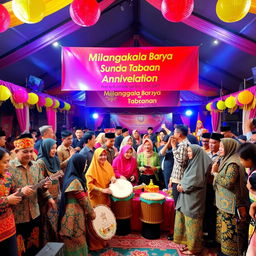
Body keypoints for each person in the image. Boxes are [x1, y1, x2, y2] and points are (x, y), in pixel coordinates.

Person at [9, 133, 55, 256]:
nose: (29, 155)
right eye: (25, 152)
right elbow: (5, 193)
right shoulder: (8, 168)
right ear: (16, 151)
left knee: (34, 247)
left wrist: (47, 193)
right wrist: (21, 192)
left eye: (31, 151)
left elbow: (41, 185)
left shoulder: (36, 166)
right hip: (17, 216)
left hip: (35, 213)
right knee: (20, 249)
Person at [212, 138, 249, 256]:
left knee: (231, 234)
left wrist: (215, 174)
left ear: (230, 148)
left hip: (232, 206)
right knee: (223, 234)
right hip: (224, 204)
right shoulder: (226, 159)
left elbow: (228, 183)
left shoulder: (233, 163)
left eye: (222, 147)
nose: (220, 149)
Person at [174, 145, 212, 255]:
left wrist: (183, 187)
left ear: (196, 153)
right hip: (186, 199)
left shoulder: (198, 166)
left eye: (190, 151)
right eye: (188, 151)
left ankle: (194, 248)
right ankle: (189, 244)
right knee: (187, 222)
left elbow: (195, 182)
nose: (188, 153)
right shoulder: (193, 163)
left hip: (194, 201)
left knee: (193, 223)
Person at [58, 154, 95, 256]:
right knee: (76, 238)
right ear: (78, 164)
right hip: (74, 215)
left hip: (71, 212)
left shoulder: (70, 177)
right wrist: (92, 213)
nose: (86, 165)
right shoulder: (75, 182)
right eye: (85, 163)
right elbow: (84, 200)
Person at [85, 148, 116, 251]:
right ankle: (95, 245)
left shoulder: (108, 165)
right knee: (95, 222)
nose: (103, 157)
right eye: (100, 155)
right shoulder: (91, 170)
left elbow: (112, 175)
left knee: (104, 220)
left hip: (105, 198)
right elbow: (90, 186)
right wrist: (102, 190)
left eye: (104, 155)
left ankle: (103, 241)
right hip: (96, 199)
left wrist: (113, 178)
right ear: (96, 156)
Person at [37, 138, 61, 245]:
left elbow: (58, 175)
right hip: (46, 198)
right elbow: (40, 182)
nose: (54, 150)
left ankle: (55, 244)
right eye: (52, 148)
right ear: (46, 148)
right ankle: (47, 246)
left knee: (55, 222)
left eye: (55, 148)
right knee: (47, 222)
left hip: (56, 195)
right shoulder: (41, 162)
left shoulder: (55, 159)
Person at [0, 147, 22, 256]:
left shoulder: (8, 176)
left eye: (9, 161)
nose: (8, 165)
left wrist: (22, 191)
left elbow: (14, 190)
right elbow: (8, 198)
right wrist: (7, 200)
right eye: (5, 162)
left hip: (9, 226)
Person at [237, 143, 256, 255]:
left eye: (241, 159)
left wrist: (253, 205)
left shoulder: (254, 176)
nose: (241, 162)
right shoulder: (251, 171)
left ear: (249, 159)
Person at [168, 125, 190, 204]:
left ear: (179, 134)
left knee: (178, 204)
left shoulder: (184, 145)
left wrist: (173, 147)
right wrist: (172, 178)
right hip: (176, 178)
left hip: (180, 180)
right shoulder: (181, 144)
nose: (173, 134)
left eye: (174, 132)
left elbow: (181, 162)